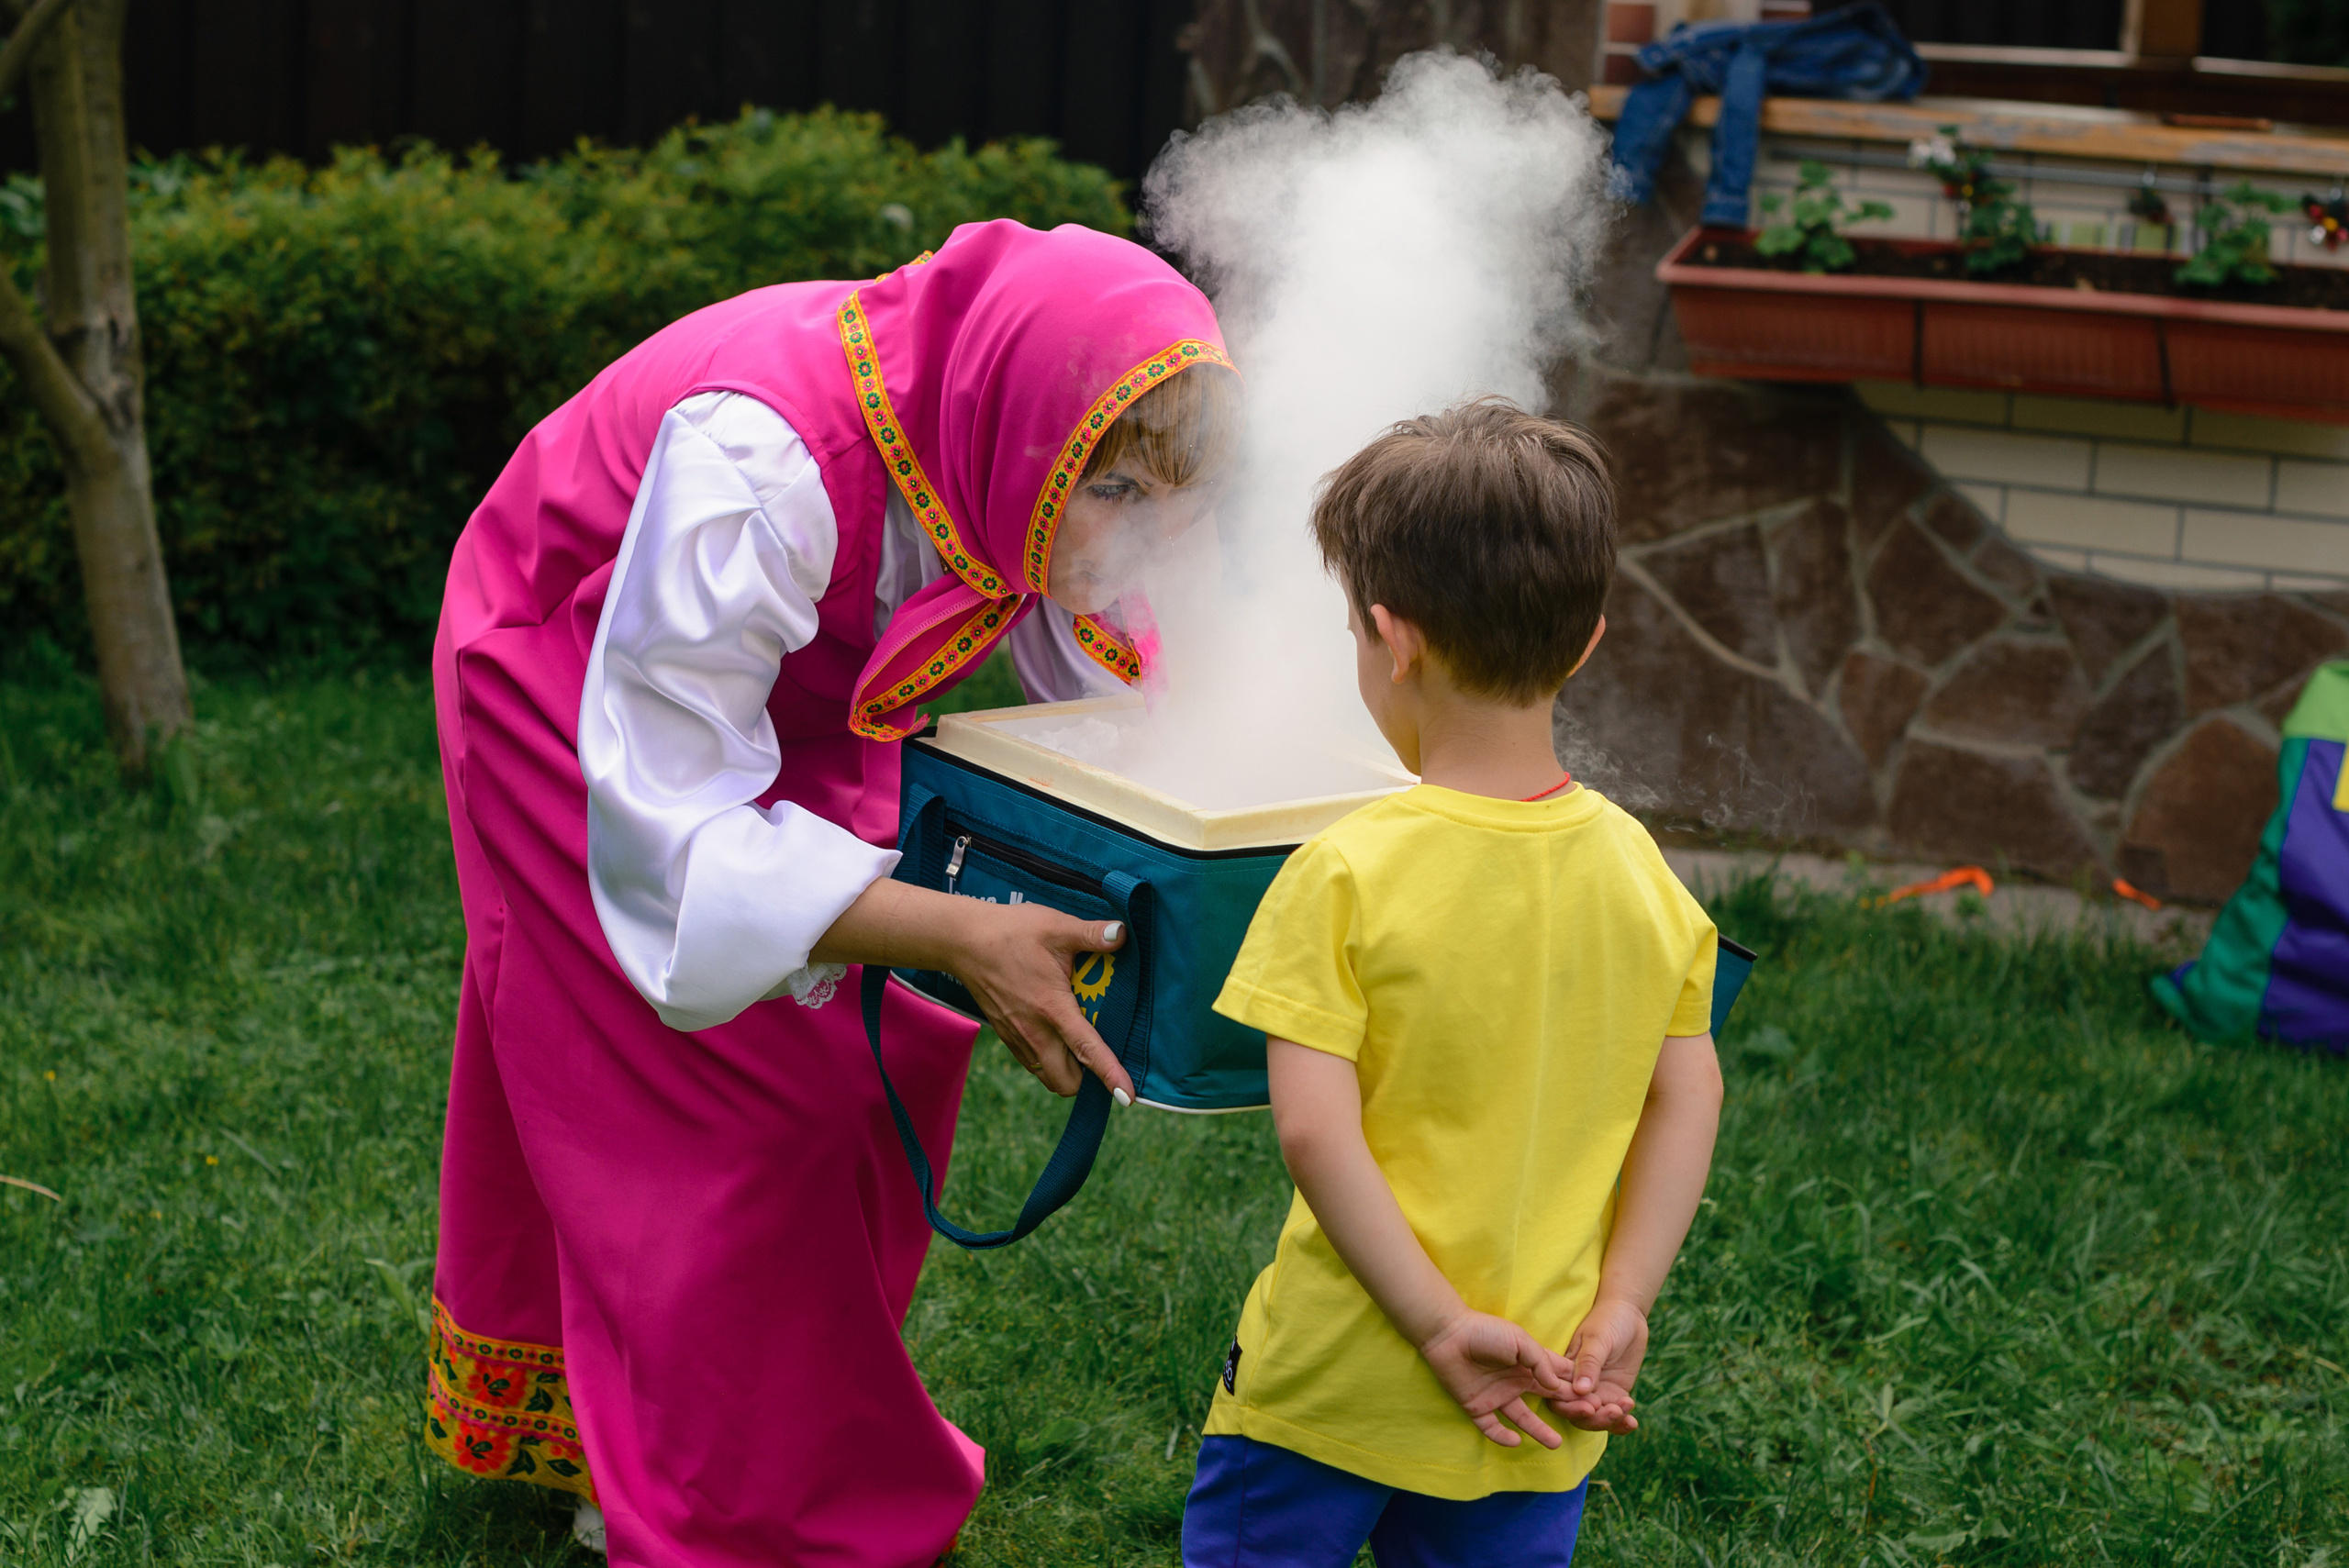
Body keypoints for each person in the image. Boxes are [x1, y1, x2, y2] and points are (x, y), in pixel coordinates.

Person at [429, 219, 1238, 1567]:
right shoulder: (761, 467)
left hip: (796, 694)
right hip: (578, 695)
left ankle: (701, 1432)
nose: (1158, 538)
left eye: (1186, 500)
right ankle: (700, 1498)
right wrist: (961, 928)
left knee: (887, 1055)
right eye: (1127, 499)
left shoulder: (1002, 424)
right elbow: (675, 840)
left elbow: (1113, 643)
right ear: (1029, 435)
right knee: (717, 1113)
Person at [1181, 399, 1726, 1566]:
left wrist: (1435, 1323)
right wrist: (1623, 1298)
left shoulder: (1344, 870)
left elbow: (1315, 1134)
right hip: (1544, 1384)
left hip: (1332, 1394)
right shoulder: (1644, 872)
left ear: (1393, 636)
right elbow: (1689, 1097)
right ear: (1584, 639)